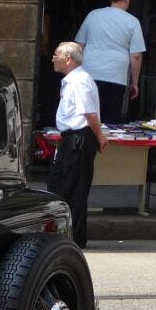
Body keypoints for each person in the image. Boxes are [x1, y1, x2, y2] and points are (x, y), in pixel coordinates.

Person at [47, 41, 107, 248]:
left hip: (79, 137)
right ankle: (62, 232)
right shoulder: (72, 80)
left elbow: (89, 114)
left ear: (68, 59)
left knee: (75, 188)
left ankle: (75, 238)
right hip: (70, 138)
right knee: (59, 185)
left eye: (56, 54)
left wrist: (100, 136)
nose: (53, 58)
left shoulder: (79, 81)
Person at [74, 0, 146, 123]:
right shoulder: (132, 21)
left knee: (85, 117)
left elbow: (78, 46)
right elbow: (136, 56)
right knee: (110, 121)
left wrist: (73, 73)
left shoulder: (93, 15)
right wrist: (134, 83)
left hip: (89, 75)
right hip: (115, 77)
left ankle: (85, 144)